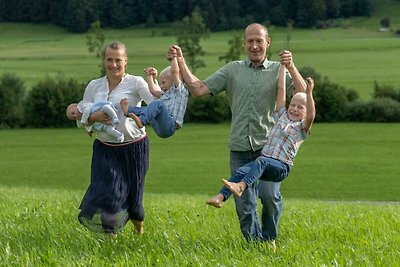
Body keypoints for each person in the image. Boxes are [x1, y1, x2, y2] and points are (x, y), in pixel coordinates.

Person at [168, 23, 307, 247]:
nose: (254, 46)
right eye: (250, 41)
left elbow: (301, 94)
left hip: (269, 150)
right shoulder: (232, 70)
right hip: (240, 148)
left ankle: (269, 240)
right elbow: (199, 89)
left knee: (270, 198)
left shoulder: (277, 70)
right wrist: (181, 61)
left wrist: (291, 67)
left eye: (259, 41)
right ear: (244, 43)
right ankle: (255, 247)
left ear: (267, 42)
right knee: (245, 207)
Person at [206, 65, 315, 207]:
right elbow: (281, 90)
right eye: (293, 105)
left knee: (261, 160)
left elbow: (312, 115)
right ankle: (220, 198)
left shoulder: (302, 127)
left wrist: (309, 93)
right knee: (242, 171)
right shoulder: (281, 115)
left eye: (300, 107)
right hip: (265, 164)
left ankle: (240, 187)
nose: (294, 109)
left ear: (305, 113)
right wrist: (282, 68)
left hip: (281, 167)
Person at [76, 41, 155, 237]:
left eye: (118, 60)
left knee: (135, 201)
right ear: (104, 61)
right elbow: (81, 118)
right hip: (105, 149)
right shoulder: (94, 86)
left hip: (135, 148)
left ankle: (139, 231)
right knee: (108, 195)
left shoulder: (136, 83)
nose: (114, 64)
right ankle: (111, 239)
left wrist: (154, 82)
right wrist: (92, 117)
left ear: (125, 61)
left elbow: (155, 106)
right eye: (109, 60)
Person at [122, 56, 189, 138]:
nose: (161, 86)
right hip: (159, 127)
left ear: (174, 80)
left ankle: (141, 120)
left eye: (163, 82)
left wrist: (173, 58)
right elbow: (153, 91)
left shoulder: (179, 91)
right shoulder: (165, 95)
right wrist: (149, 76)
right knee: (148, 108)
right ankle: (128, 111)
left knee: (157, 104)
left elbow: (175, 72)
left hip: (170, 126)